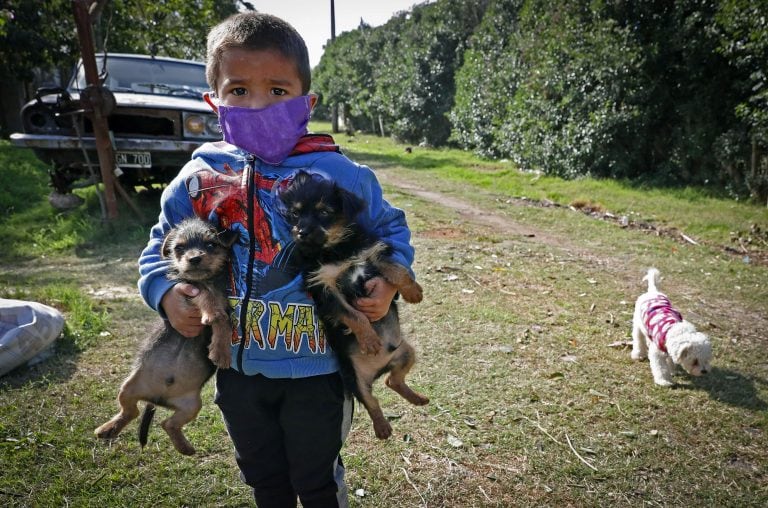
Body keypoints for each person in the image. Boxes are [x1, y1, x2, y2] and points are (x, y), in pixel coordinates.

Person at [137, 11, 417, 508]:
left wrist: (389, 282)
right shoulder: (197, 177)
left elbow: (390, 229)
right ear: (213, 102)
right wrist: (165, 293)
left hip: (319, 368)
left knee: (316, 479)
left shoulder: (339, 172)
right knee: (264, 478)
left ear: (306, 101)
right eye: (239, 91)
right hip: (237, 369)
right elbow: (159, 248)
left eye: (278, 91)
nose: (259, 103)